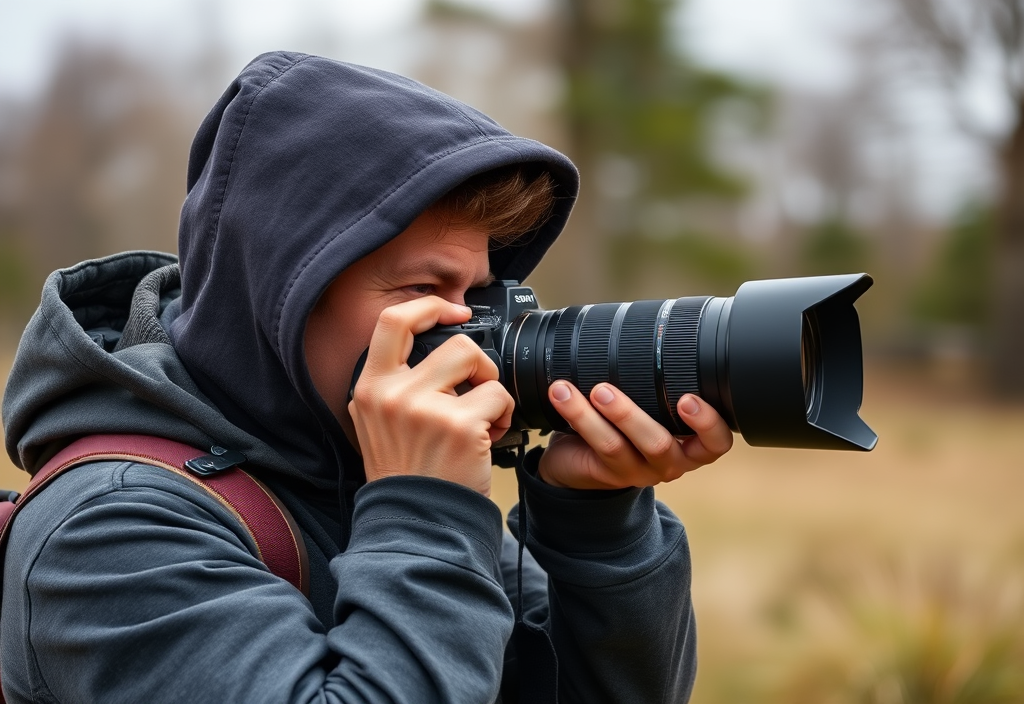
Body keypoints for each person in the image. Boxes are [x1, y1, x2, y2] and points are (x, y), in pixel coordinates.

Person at [0, 51, 733, 703]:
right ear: (282, 297)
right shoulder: (110, 530)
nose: (466, 328)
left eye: (478, 294)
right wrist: (423, 506)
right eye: (423, 291)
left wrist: (594, 524)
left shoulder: (368, 472)